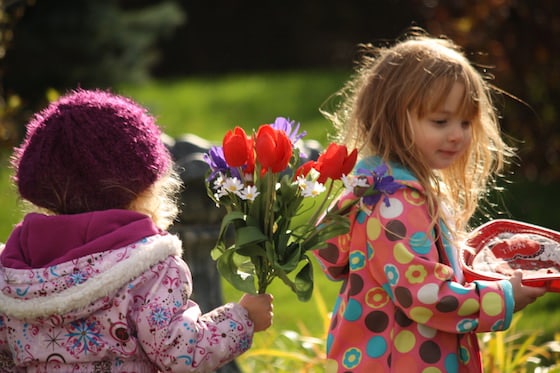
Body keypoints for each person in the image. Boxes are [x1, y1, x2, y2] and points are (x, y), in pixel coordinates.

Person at [313, 29, 546, 372]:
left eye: (466, 122)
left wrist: (485, 273)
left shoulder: (385, 185)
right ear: (393, 117)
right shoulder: (397, 202)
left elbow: (423, 268)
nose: (457, 134)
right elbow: (423, 295)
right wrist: (503, 298)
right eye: (440, 121)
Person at [0, 88, 274, 372]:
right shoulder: (148, 270)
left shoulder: (13, 274)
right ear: (144, 184)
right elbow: (180, 352)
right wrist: (242, 319)